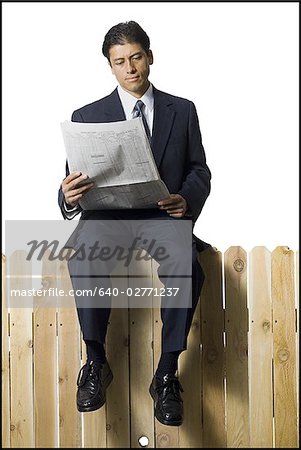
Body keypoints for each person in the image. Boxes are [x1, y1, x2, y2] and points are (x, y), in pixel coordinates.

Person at [58, 21, 211, 427]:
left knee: (185, 265)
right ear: (110, 66)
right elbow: (70, 180)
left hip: (161, 215)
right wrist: (67, 194)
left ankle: (166, 373)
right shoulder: (87, 115)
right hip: (105, 217)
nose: (130, 68)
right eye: (120, 61)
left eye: (136, 57)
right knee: (83, 255)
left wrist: (187, 198)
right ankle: (95, 361)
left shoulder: (183, 109)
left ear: (150, 56)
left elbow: (199, 170)